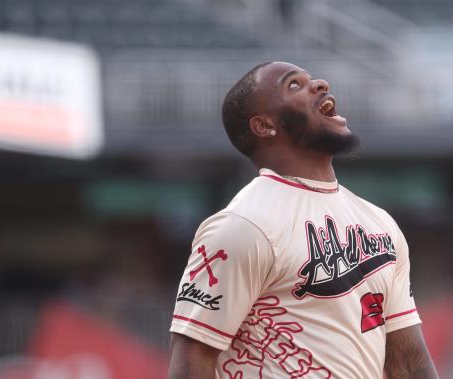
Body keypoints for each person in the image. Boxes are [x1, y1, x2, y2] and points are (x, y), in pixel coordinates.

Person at [168, 61, 439, 379]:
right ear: (264, 125)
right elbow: (190, 362)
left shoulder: (379, 222)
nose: (321, 84)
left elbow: (407, 360)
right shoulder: (242, 226)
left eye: (313, 79)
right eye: (293, 84)